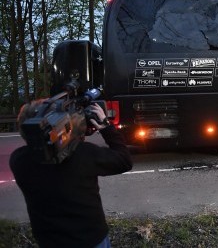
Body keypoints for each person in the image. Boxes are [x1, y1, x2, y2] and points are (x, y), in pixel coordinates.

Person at [10, 100, 133, 248]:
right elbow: (124, 160)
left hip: (49, 242)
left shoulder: (18, 160)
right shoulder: (83, 154)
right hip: (91, 240)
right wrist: (106, 126)